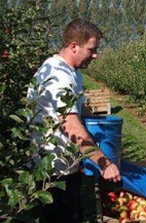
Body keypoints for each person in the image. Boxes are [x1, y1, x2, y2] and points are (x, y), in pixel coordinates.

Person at [27, 18, 121, 223]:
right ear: (73, 46)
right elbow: (70, 125)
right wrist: (104, 163)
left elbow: (78, 108)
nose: (95, 55)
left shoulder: (73, 72)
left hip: (67, 163)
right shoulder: (58, 76)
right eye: (91, 49)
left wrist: (101, 125)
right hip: (53, 170)